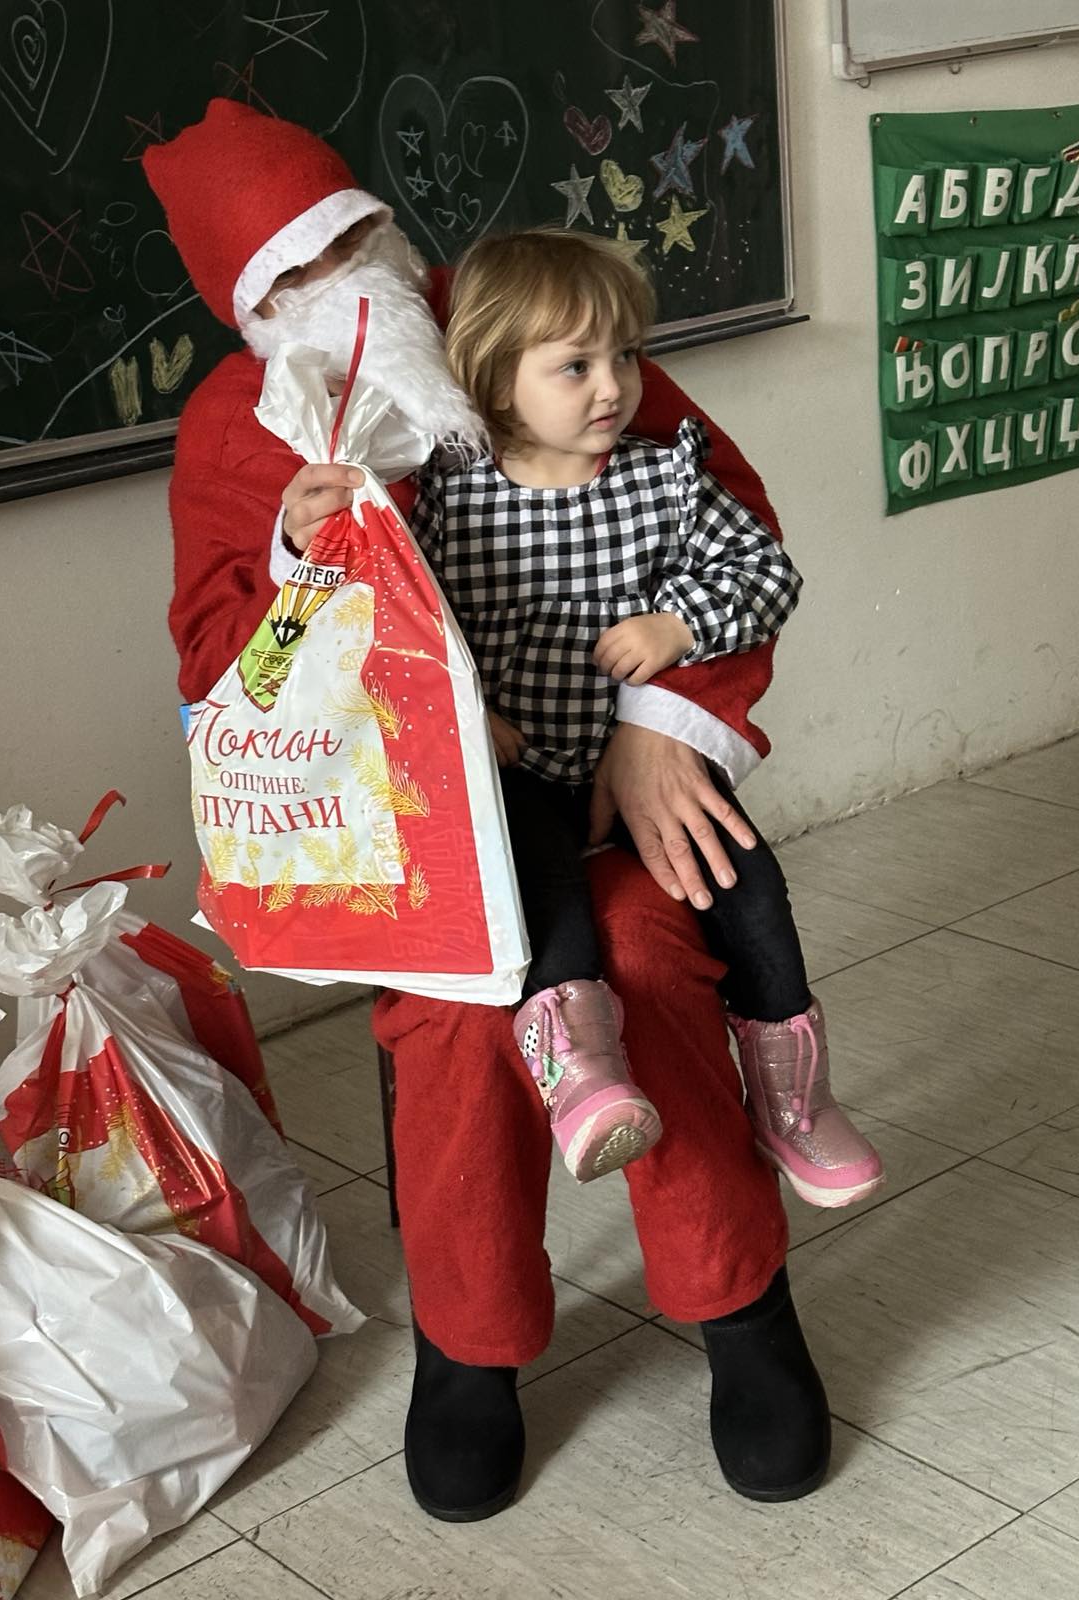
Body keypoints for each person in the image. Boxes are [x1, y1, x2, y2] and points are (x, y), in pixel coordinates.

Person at [144, 98, 847, 1523]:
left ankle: (739, 1300)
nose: (335, 284)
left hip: (610, 781)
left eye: (348, 240)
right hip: (423, 840)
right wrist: (292, 558)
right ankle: (470, 1347)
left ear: (384, 231)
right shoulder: (233, 428)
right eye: (289, 276)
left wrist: (661, 728)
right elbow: (225, 671)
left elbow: (723, 514)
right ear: (249, 309)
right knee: (463, 1021)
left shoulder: (519, 321)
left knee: (650, 953)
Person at [371, 227, 880, 1206]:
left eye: (627, 356)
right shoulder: (445, 501)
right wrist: (467, 712)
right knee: (541, 886)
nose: (614, 387)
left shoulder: (667, 480)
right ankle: (583, 1079)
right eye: (575, 366)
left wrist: (680, 623)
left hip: (632, 766)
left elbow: (766, 574)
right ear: (495, 378)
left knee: (744, 881)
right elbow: (393, 624)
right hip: (517, 772)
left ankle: (793, 1098)